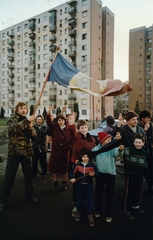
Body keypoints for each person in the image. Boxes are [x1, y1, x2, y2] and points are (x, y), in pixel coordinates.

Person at [0, 102, 38, 214]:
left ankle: (29, 196)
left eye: (25, 108)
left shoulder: (28, 120)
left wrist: (31, 128)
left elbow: (34, 136)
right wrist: (26, 122)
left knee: (28, 177)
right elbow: (13, 129)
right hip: (14, 153)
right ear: (17, 110)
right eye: (21, 108)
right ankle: (3, 201)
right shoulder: (12, 119)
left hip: (26, 153)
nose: (23, 110)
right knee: (9, 178)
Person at [92, 132, 124, 223]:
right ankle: (97, 210)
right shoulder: (96, 149)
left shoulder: (112, 149)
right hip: (99, 175)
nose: (110, 141)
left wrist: (120, 150)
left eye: (110, 140)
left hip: (110, 175)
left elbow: (117, 153)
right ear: (102, 141)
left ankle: (109, 213)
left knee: (110, 195)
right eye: (108, 140)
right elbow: (91, 159)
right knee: (99, 193)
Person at [46, 106, 76, 192]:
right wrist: (48, 112)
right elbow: (49, 122)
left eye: (62, 120)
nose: (61, 121)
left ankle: (64, 184)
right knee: (55, 170)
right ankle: (55, 184)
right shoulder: (54, 128)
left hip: (65, 153)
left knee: (65, 169)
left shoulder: (69, 129)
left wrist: (69, 147)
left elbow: (73, 139)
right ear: (57, 121)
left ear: (65, 121)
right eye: (59, 120)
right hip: (55, 152)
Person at [70, 119, 96, 217]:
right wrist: (72, 123)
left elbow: (93, 151)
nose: (84, 129)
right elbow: (72, 134)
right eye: (81, 128)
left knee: (88, 185)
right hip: (77, 164)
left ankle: (85, 202)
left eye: (85, 127)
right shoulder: (76, 136)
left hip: (88, 165)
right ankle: (76, 204)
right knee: (76, 185)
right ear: (78, 129)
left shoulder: (92, 139)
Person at [70, 148, 98, 227]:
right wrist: (72, 178)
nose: (85, 158)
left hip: (89, 186)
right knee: (79, 199)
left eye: (87, 156)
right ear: (81, 157)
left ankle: (90, 215)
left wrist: (94, 174)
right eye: (84, 156)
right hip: (80, 186)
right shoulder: (78, 166)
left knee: (89, 200)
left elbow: (97, 174)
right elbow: (72, 173)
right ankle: (79, 212)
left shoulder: (92, 166)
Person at [124, 134, 148, 220]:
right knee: (129, 193)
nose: (137, 144)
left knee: (137, 192)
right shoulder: (128, 150)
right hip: (130, 175)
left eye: (139, 142)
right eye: (136, 142)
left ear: (143, 143)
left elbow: (146, 165)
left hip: (139, 176)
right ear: (133, 142)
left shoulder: (145, 152)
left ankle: (135, 206)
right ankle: (127, 210)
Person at [31, 114, 51, 182]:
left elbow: (50, 133)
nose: (39, 121)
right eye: (38, 119)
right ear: (36, 120)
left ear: (42, 120)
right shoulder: (33, 127)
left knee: (43, 162)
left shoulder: (45, 127)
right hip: (34, 147)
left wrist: (50, 124)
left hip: (42, 147)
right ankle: (34, 176)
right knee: (34, 163)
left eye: (40, 119)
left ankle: (44, 173)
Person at [138, 110, 153, 194]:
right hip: (142, 152)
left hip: (150, 152)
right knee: (142, 171)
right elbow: (139, 138)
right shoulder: (139, 126)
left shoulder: (151, 125)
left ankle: (150, 186)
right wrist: (145, 130)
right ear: (142, 118)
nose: (148, 119)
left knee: (150, 169)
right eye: (147, 118)